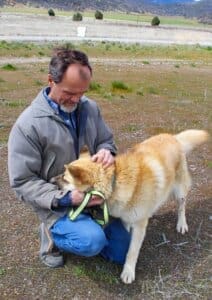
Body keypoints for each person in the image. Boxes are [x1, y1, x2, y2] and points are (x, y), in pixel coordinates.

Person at [8, 47, 131, 268]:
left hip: (95, 196)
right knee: (92, 241)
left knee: (122, 251)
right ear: (50, 81)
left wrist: (107, 152)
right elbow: (22, 181)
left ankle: (89, 226)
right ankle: (52, 232)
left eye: (82, 92)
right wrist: (65, 199)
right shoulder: (28, 126)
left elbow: (107, 140)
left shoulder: (90, 108)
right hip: (57, 201)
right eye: (69, 93)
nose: (76, 100)